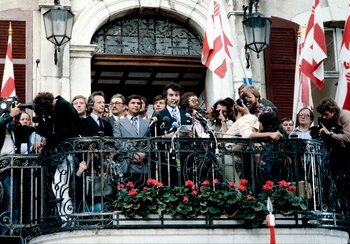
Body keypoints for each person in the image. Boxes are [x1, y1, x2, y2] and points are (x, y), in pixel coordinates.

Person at [32, 92, 82, 222]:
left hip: (65, 153)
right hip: (63, 153)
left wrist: (51, 135)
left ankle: (68, 220)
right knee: (59, 187)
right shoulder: (60, 106)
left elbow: (72, 131)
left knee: (60, 187)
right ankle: (67, 219)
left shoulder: (64, 107)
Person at [113, 95, 150, 185]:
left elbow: (150, 142)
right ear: (126, 106)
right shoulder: (118, 123)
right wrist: (133, 155)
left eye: (138, 103)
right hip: (126, 164)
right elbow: (118, 143)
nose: (136, 105)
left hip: (143, 165)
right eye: (133, 103)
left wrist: (143, 154)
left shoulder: (147, 123)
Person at [0, 102, 21, 234]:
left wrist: (15, 117)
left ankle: (10, 231)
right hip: (1, 166)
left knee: (12, 200)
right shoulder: (3, 122)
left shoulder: (11, 128)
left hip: (10, 168)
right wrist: (9, 116)